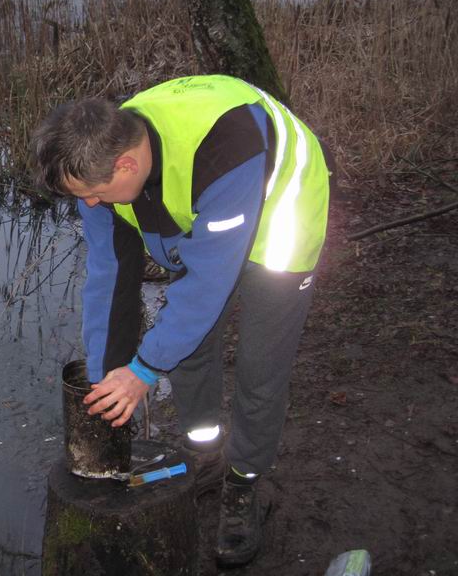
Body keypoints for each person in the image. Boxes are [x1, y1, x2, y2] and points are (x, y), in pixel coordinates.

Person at [30, 75, 331, 567]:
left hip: (281, 213)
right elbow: (109, 278)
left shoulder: (225, 146)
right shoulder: (98, 168)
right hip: (208, 209)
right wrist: (110, 372)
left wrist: (145, 370)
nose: (88, 205)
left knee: (259, 368)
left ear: (126, 164)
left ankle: (245, 483)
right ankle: (206, 456)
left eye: (92, 194)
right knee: (190, 348)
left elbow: (209, 283)